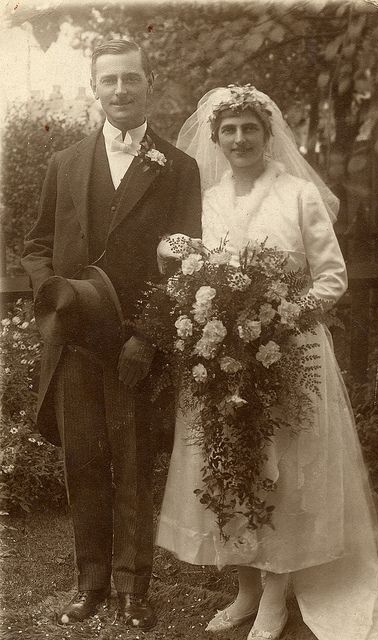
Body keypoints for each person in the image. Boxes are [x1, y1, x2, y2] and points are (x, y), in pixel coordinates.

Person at [155, 85, 378, 639]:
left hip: (291, 356)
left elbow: (331, 276)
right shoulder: (208, 199)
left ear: (268, 137)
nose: (240, 139)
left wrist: (281, 315)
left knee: (283, 476)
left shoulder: (297, 195)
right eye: (230, 130)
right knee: (232, 469)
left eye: (251, 129)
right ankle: (245, 589)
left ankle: (275, 597)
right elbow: (198, 269)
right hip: (223, 360)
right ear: (216, 139)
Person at [21, 39, 201, 628]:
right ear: (94, 89)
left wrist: (147, 339)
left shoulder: (178, 167)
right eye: (109, 81)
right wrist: (56, 296)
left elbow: (188, 262)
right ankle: (90, 583)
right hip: (74, 345)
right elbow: (37, 246)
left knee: (132, 464)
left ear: (150, 83)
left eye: (131, 79)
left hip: (134, 348)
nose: (120, 91)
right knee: (85, 463)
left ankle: (133, 589)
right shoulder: (65, 163)